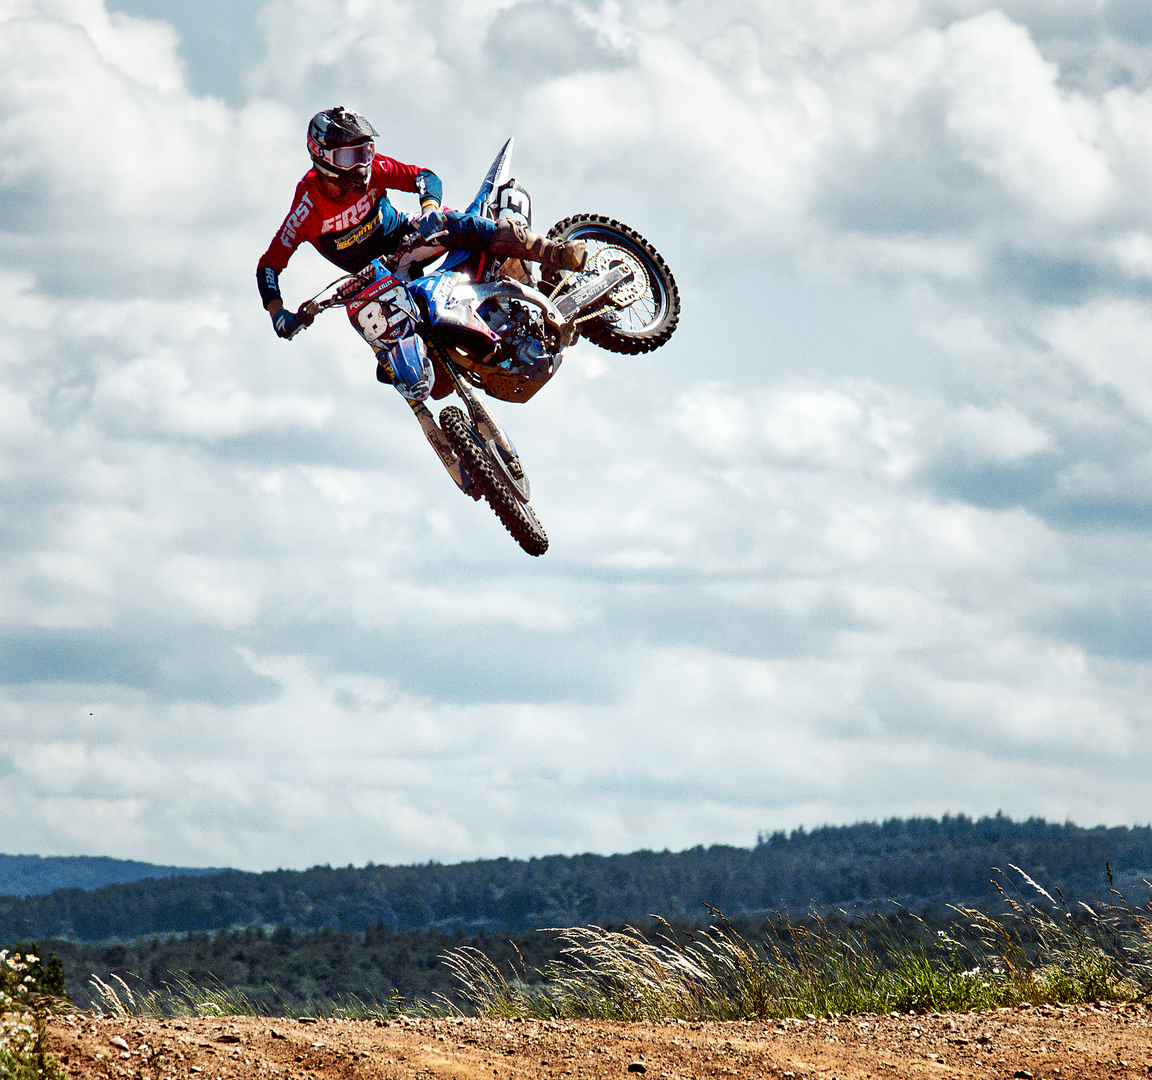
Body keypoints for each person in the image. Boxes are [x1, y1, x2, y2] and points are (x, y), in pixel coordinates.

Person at [256, 106, 587, 341]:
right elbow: (269, 265)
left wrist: (429, 207)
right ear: (322, 156)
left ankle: (553, 253)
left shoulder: (377, 169)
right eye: (349, 157)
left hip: (405, 237)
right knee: (397, 337)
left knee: (450, 222)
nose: (362, 164)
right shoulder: (308, 207)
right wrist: (278, 312)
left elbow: (423, 177)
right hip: (375, 276)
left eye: (365, 152)